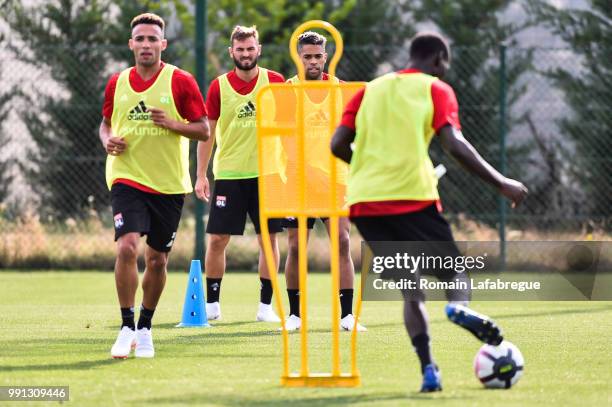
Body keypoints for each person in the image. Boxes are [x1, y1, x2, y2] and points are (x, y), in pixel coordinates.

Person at [331, 32, 528, 392]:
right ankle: (458, 308)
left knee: (411, 291)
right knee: (453, 273)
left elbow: (337, 143)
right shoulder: (435, 89)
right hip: (412, 199)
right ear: (438, 59)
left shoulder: (367, 91)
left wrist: (366, 168)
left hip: (364, 204)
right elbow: (454, 143)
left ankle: (429, 370)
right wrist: (501, 182)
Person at [100, 13, 209, 358]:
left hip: (168, 185)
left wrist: (173, 123)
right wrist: (107, 140)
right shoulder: (117, 82)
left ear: (163, 44)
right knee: (127, 247)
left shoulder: (181, 81)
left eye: (152, 39)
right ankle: (126, 326)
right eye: (140, 39)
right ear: (131, 44)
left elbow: (204, 129)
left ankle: (145, 327)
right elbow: (105, 124)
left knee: (158, 260)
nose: (146, 45)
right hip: (126, 177)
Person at [194, 25, 284, 322]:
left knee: (268, 241)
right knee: (218, 239)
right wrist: (201, 174)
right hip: (230, 174)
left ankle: (265, 307)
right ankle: (212, 306)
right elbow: (207, 134)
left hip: (268, 174)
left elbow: (289, 130)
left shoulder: (275, 82)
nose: (245, 54)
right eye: (240, 49)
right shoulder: (219, 86)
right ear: (231, 51)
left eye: (250, 48)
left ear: (258, 49)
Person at [281, 32, 365, 332]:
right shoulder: (287, 90)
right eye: (307, 56)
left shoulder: (341, 89)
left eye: (318, 56)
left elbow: (352, 132)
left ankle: (347, 315)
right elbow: (284, 139)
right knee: (295, 246)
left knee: (342, 243)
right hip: (298, 180)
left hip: (335, 181)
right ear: (299, 57)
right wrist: (305, 170)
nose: (313, 61)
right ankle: (294, 315)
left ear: (325, 57)